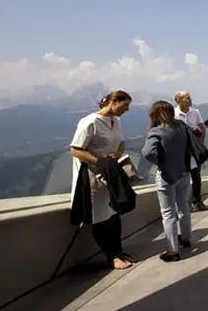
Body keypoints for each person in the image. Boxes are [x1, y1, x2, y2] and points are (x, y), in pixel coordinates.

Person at [69, 90, 137, 270]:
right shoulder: (89, 122)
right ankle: (111, 256)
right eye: (125, 105)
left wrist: (118, 153)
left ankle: (119, 251)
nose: (127, 109)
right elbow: (76, 149)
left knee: (114, 213)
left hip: (111, 174)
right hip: (92, 176)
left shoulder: (116, 122)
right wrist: (100, 162)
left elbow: (121, 142)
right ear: (113, 101)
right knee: (100, 216)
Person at [142, 101, 193, 262]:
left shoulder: (156, 131)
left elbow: (147, 152)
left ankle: (173, 250)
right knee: (183, 207)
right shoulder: (181, 126)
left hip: (166, 176)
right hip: (184, 172)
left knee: (168, 212)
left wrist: (160, 163)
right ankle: (185, 238)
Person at [174, 91, 208, 211]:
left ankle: (197, 200)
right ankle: (183, 204)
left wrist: (200, 143)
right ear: (179, 101)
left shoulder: (195, 112)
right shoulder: (174, 114)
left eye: (190, 98)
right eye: (187, 98)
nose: (190, 100)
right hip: (181, 151)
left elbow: (203, 128)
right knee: (182, 178)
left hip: (194, 150)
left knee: (196, 176)